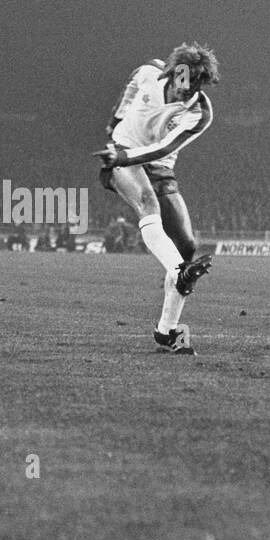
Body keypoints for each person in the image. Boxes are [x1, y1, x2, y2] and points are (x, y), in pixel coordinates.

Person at [95, 44, 219, 354]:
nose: (180, 94)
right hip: (122, 156)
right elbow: (131, 86)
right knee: (147, 206)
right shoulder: (149, 71)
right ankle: (181, 273)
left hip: (157, 166)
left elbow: (164, 148)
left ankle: (167, 332)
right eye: (178, 85)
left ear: (199, 84)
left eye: (188, 88)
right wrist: (115, 123)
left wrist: (122, 155)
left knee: (187, 246)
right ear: (171, 73)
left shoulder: (199, 113)